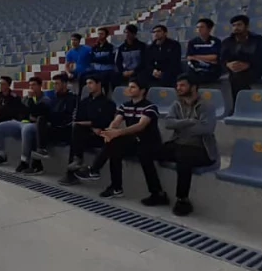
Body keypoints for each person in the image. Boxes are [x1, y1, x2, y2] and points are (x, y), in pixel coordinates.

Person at [76, 78, 166, 203]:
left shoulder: (150, 107)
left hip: (149, 143)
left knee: (140, 153)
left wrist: (117, 132)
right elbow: (116, 121)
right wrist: (110, 131)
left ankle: (157, 193)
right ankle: (114, 186)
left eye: (133, 87)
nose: (128, 89)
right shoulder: (125, 105)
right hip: (134, 142)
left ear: (142, 91)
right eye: (128, 86)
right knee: (114, 146)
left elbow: (140, 126)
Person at [157, 74, 219, 216]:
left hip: (202, 150)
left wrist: (179, 125)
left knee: (183, 158)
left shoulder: (206, 106)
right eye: (177, 85)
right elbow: (168, 123)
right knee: (151, 150)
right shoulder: (177, 104)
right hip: (179, 145)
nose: (178, 88)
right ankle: (158, 193)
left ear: (194, 87)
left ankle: (182, 199)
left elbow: (206, 128)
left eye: (182, 85)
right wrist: (189, 121)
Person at [58, 76, 117, 186]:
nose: (88, 86)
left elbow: (105, 121)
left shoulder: (109, 103)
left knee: (77, 133)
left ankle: (75, 168)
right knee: (76, 131)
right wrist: (93, 125)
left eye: (91, 83)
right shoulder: (84, 102)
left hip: (101, 136)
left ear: (99, 84)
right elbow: (79, 119)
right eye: (87, 83)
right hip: (88, 133)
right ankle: (76, 163)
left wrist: (91, 123)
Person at [0, 76, 53, 174]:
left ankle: (24, 161)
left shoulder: (45, 100)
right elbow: (22, 112)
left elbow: (36, 112)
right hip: (22, 122)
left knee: (26, 129)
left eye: (34, 85)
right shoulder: (25, 98)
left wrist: (31, 102)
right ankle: (1, 155)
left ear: (40, 86)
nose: (31, 87)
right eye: (30, 85)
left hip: (36, 126)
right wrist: (27, 114)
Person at [220, 14, 262, 105]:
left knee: (237, 77)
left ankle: (239, 106)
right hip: (234, 70)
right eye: (234, 26)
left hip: (254, 69)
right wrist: (228, 64)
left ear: (247, 26)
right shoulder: (227, 42)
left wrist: (248, 65)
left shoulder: (258, 40)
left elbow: (261, 58)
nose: (236, 28)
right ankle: (243, 105)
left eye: (239, 25)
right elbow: (222, 59)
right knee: (236, 76)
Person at [35, 73, 77, 156]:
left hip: (64, 130)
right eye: (54, 84)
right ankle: (39, 155)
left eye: (57, 83)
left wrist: (49, 116)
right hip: (53, 126)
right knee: (38, 121)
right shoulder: (54, 97)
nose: (55, 86)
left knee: (41, 123)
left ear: (65, 84)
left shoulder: (72, 98)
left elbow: (66, 117)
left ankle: (40, 153)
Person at [186, 18, 222, 85]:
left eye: (202, 27)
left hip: (212, 69)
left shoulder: (216, 41)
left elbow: (214, 57)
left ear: (209, 29)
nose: (199, 29)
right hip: (196, 69)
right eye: (197, 27)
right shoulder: (192, 42)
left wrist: (196, 57)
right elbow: (189, 57)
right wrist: (208, 59)